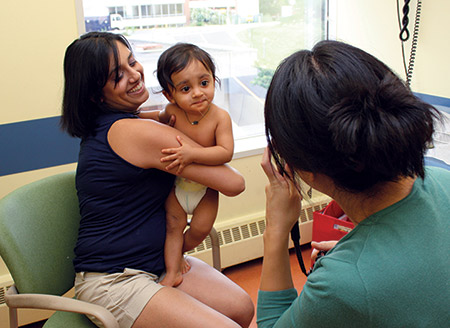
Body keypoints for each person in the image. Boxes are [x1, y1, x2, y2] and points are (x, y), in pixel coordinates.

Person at [60, 31, 254, 328]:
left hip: (153, 263)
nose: (135, 75)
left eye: (133, 62)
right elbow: (233, 183)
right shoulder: (135, 132)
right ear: (96, 94)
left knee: (239, 308)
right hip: (115, 281)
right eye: (117, 76)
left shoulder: (124, 122)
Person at [258, 40, 450, 327]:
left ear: (305, 169)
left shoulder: (342, 284)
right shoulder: (443, 179)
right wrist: (363, 253)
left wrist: (275, 229)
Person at [140, 43, 234, 287]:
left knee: (200, 229)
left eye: (204, 83)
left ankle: (179, 250)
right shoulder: (172, 111)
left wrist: (193, 154)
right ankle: (172, 271)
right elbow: (156, 118)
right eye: (185, 88)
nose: (197, 93)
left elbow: (225, 152)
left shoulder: (219, 117)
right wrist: (134, 116)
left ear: (214, 80)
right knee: (173, 226)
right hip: (178, 185)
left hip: (206, 190)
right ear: (170, 95)